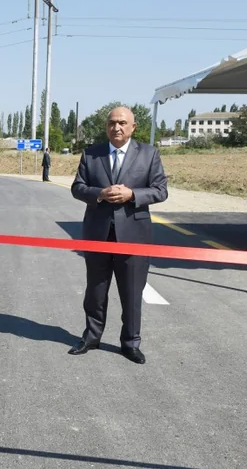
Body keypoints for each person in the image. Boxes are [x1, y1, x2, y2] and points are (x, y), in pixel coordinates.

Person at [69, 105, 168, 364]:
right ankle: (91, 336)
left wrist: (133, 194)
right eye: (112, 123)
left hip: (134, 236)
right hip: (98, 235)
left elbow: (160, 190)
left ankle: (130, 343)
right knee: (95, 291)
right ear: (106, 127)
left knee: (132, 292)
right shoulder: (92, 155)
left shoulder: (148, 154)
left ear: (133, 127)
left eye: (123, 123)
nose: (117, 127)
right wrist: (99, 194)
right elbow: (78, 188)